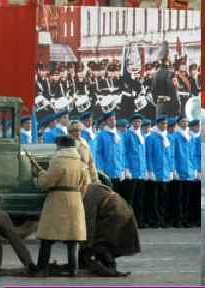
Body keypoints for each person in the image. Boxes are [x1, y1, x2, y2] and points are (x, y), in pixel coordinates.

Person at [32, 135, 88, 276]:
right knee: (73, 238)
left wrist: (39, 176)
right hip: (75, 200)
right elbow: (85, 185)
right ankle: (73, 269)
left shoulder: (57, 161)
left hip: (57, 200)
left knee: (47, 236)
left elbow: (48, 182)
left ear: (60, 146)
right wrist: (78, 197)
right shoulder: (80, 163)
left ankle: (42, 268)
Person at [79, 182, 140, 277]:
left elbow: (89, 224)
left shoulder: (87, 196)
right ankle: (107, 263)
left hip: (115, 213)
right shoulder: (91, 187)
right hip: (124, 210)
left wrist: (85, 246)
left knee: (99, 241)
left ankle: (109, 265)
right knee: (107, 241)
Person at [144, 116, 173, 228]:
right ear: (158, 125)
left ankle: (162, 219)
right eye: (162, 124)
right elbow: (149, 155)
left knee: (163, 198)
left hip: (165, 173)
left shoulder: (167, 137)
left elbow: (170, 156)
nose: (164, 126)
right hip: (156, 172)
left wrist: (171, 170)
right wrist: (150, 170)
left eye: (165, 124)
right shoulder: (151, 138)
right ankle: (155, 220)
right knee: (154, 199)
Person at [121, 114, 147, 225]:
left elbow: (143, 154)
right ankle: (128, 221)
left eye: (139, 122)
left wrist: (145, 169)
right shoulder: (127, 135)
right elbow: (124, 153)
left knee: (140, 198)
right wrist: (126, 168)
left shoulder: (141, 135)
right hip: (131, 171)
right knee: (130, 198)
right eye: (135, 122)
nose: (138, 124)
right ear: (132, 123)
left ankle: (139, 220)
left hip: (141, 171)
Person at [96, 113, 125, 194]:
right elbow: (98, 154)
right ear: (106, 122)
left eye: (114, 119)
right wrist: (100, 169)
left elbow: (122, 153)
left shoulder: (119, 135)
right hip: (107, 171)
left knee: (118, 196)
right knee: (108, 196)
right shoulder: (101, 135)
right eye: (110, 120)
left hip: (118, 171)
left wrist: (123, 169)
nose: (113, 121)